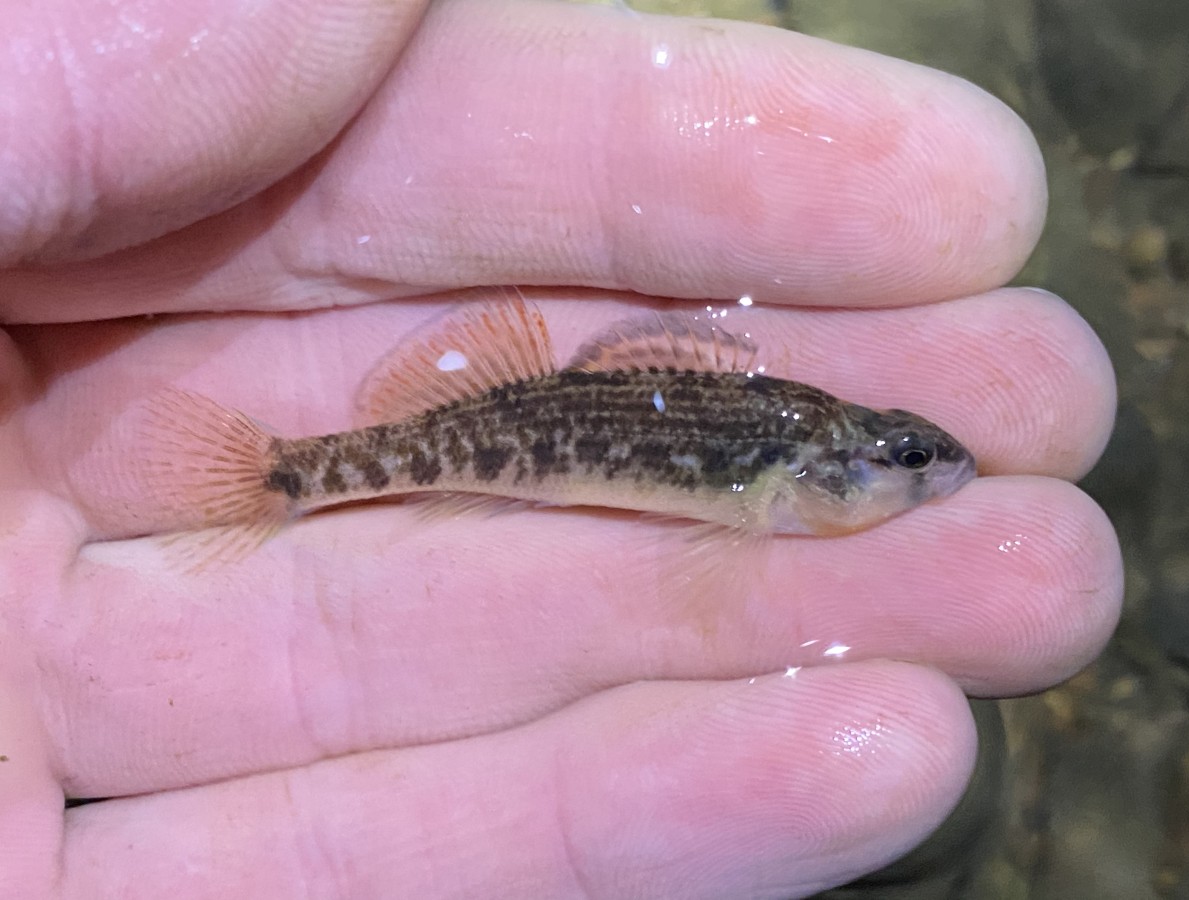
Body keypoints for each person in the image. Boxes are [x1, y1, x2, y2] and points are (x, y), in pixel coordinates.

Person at [0, 1, 1122, 896]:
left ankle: (299, 474)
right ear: (838, 465)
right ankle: (290, 474)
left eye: (913, 463)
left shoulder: (805, 453)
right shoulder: (793, 465)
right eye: (909, 463)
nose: (922, 478)